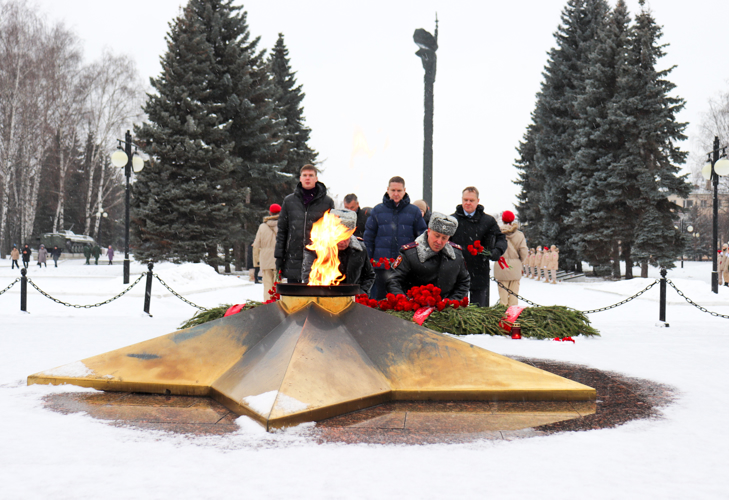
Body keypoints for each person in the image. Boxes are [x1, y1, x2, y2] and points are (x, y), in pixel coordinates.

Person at [363, 176, 427, 300]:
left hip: (404, 267)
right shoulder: (378, 210)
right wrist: (368, 262)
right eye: (393, 190)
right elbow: (369, 238)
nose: (396, 194)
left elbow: (421, 239)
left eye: (399, 190)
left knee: (402, 301)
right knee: (379, 301)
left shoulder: (414, 211)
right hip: (381, 266)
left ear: (404, 190)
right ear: (388, 190)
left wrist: (418, 262)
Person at [387, 212, 470, 300]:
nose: (439, 241)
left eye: (444, 238)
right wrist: (406, 302)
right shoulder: (410, 253)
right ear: (429, 231)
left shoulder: (456, 255)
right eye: (436, 236)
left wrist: (450, 303)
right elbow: (393, 281)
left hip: (447, 308)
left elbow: (464, 282)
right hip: (414, 307)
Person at [275, 165, 334, 283]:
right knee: (295, 298)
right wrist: (279, 256)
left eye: (311, 175)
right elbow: (282, 230)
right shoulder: (289, 201)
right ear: (300, 178)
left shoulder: (327, 202)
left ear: (316, 178)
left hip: (317, 259)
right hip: (293, 258)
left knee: (315, 298)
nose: (308, 178)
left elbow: (331, 232)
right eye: (305, 175)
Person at [450, 187, 507, 307]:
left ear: (477, 201)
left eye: (471, 200)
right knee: (458, 310)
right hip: (457, 271)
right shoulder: (452, 220)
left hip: (480, 271)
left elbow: (501, 239)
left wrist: (497, 251)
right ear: (461, 200)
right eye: (465, 199)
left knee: (480, 311)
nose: (468, 203)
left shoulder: (488, 221)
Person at [302, 208, 375, 294]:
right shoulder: (317, 248)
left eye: (345, 237)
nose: (341, 241)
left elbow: (369, 275)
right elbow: (308, 276)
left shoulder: (360, 249)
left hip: (350, 298)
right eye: (338, 237)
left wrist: (361, 293)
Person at [494, 211, 528, 307]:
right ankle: (513, 318)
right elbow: (523, 251)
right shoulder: (519, 235)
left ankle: (503, 316)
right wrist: (519, 261)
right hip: (515, 266)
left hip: (501, 265)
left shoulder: (497, 234)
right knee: (514, 296)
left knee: (503, 297)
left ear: (503, 220)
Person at [252, 203, 280, 301]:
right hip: (279, 259)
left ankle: (268, 305)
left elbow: (257, 244)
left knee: (267, 285)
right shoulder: (284, 225)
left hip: (265, 259)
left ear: (269, 213)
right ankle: (278, 305)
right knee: (278, 286)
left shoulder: (262, 227)